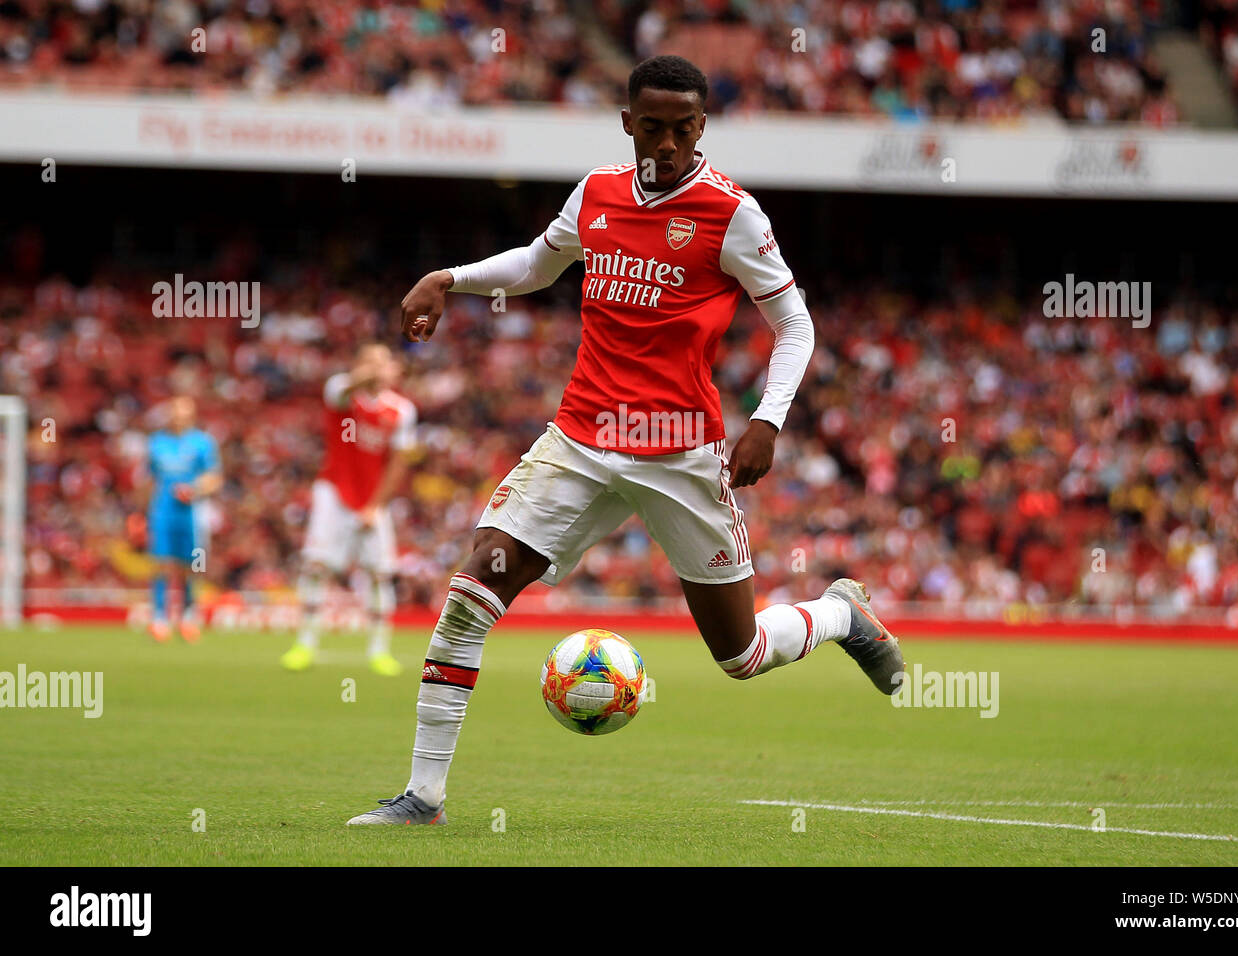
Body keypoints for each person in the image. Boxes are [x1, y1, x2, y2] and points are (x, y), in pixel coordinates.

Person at [348, 55, 903, 826]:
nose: (667, 143)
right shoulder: (598, 191)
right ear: (627, 123)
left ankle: (841, 613)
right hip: (581, 436)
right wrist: (450, 278)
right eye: (652, 128)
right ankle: (424, 797)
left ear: (702, 127)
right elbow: (539, 266)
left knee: (739, 655)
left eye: (683, 129)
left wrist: (768, 417)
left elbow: (795, 324)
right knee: (474, 589)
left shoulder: (731, 214)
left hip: (681, 451)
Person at [281, 344, 417, 677]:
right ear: (358, 365)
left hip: (373, 499)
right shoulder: (341, 390)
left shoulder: (401, 410)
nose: (376, 368)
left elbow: (398, 463)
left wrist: (375, 507)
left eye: (383, 362)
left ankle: (379, 650)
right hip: (333, 491)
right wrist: (369, 371)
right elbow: (343, 390)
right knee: (316, 565)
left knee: (378, 572)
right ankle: (306, 643)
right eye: (369, 361)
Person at [145, 396, 221, 643]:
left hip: (191, 512)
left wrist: (195, 489)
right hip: (163, 510)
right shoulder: (157, 442)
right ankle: (159, 617)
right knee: (162, 563)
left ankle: (188, 615)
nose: (179, 416)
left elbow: (214, 478)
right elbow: (149, 478)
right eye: (176, 411)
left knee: (192, 565)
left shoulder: (203, 443)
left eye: (184, 412)